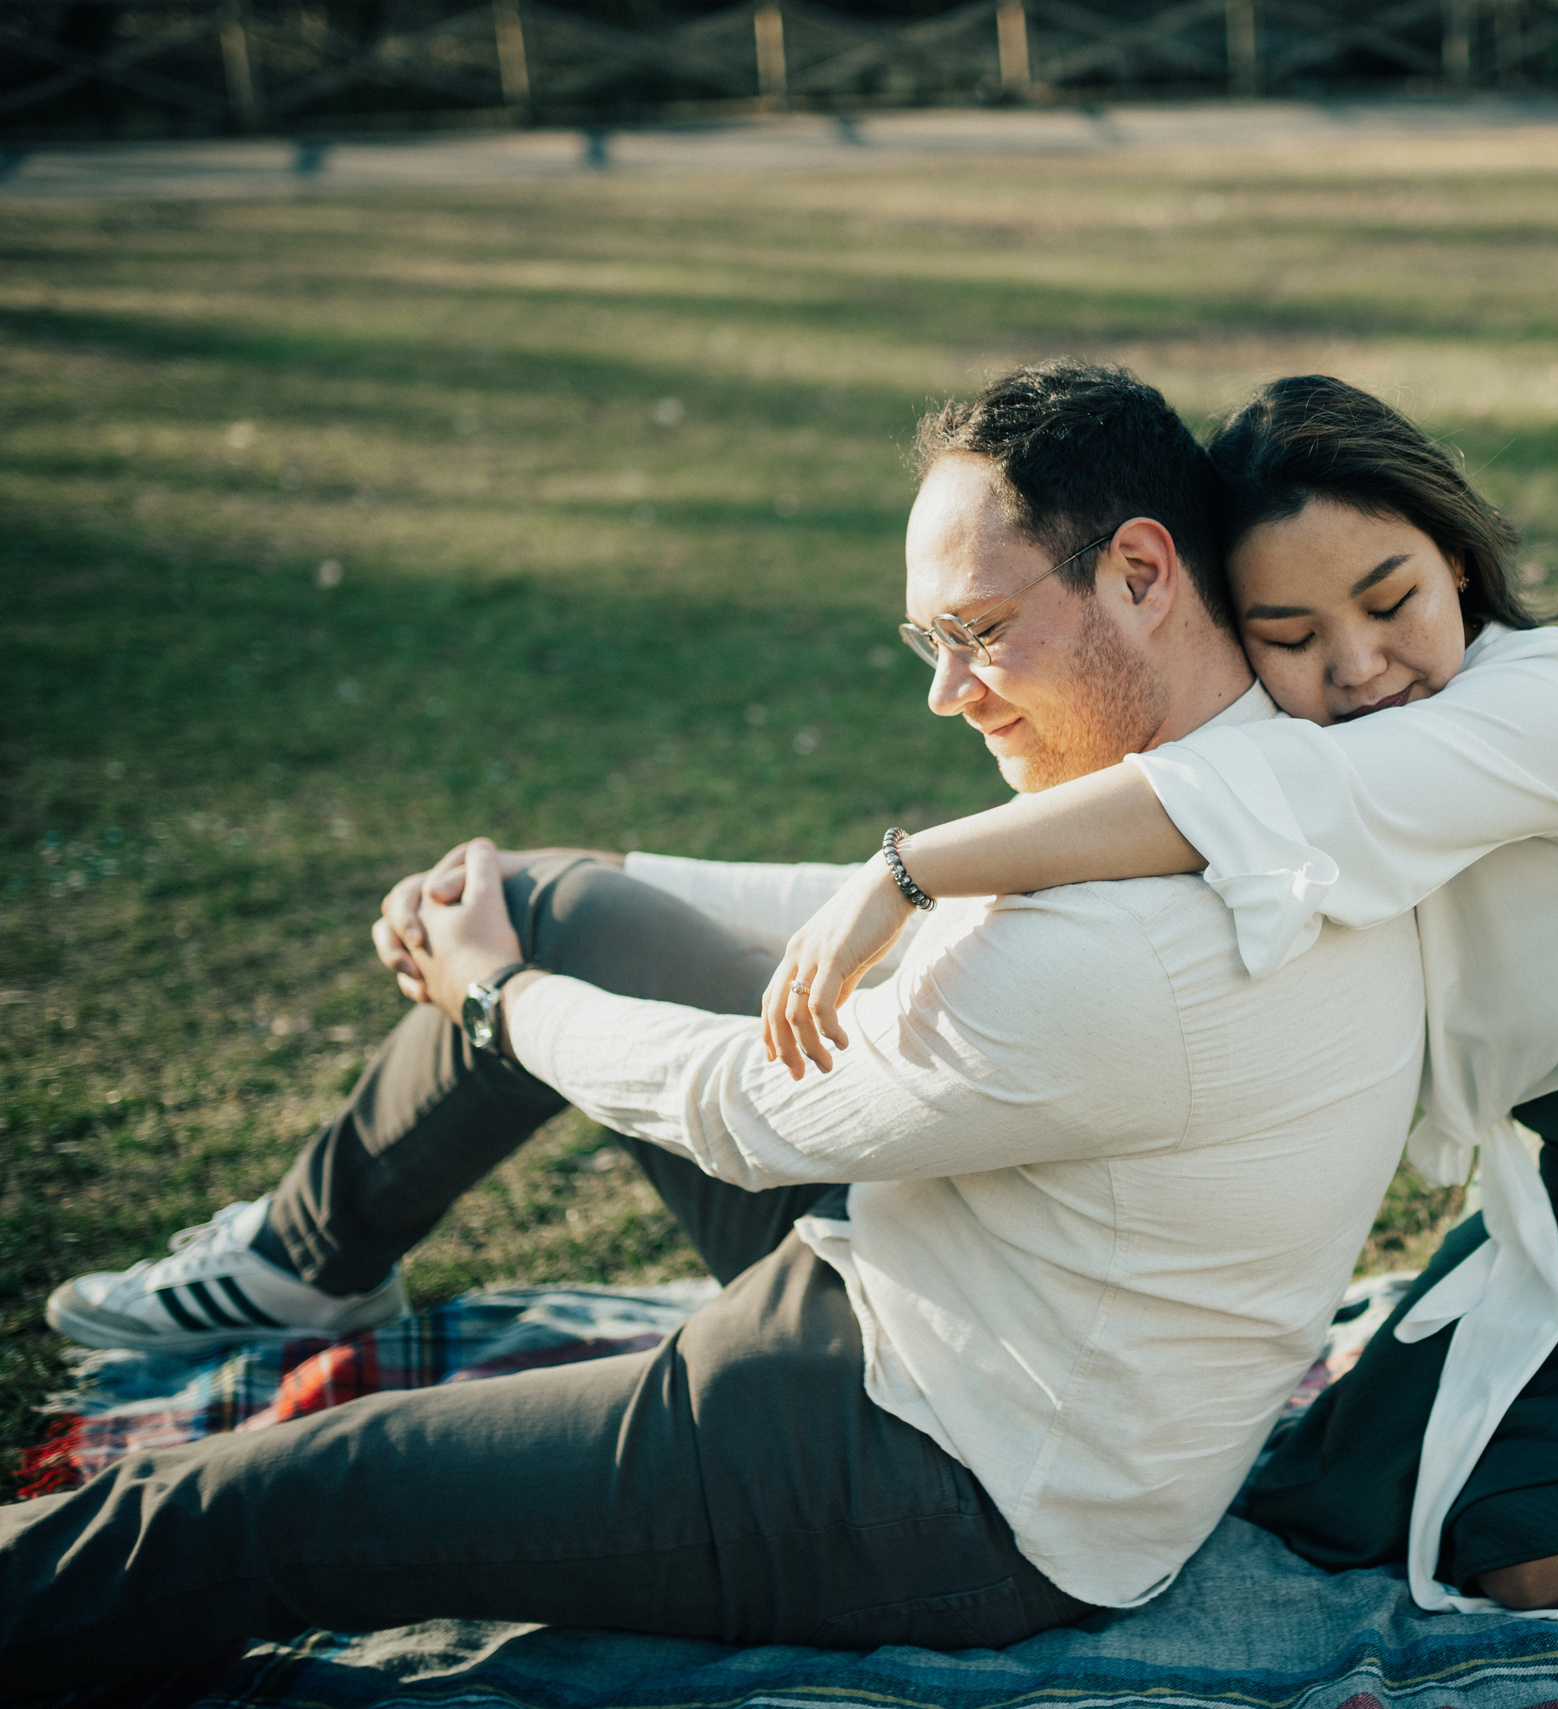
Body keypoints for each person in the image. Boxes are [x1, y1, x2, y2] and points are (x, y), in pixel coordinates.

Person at [6, 362, 1428, 1693]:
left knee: (268, 1506)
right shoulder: (1270, 779)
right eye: (930, 641)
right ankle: (309, 1266)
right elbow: (866, 912)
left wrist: (497, 998)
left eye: (981, 635)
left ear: (1139, 571)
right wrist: (573, 886)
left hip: (951, 1484)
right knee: (562, 901)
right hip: (932, 1257)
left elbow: (744, 1113)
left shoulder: (1128, 957)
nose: (947, 690)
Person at [761, 375, 1558, 1618]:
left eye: (1392, 601)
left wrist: (904, 872)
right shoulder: (1311, 734)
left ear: (1458, 563)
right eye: (1291, 632)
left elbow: (1229, 801)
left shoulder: (1553, 706)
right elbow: (1223, 780)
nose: (1360, 662)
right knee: (1336, 1497)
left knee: (1530, 1552)